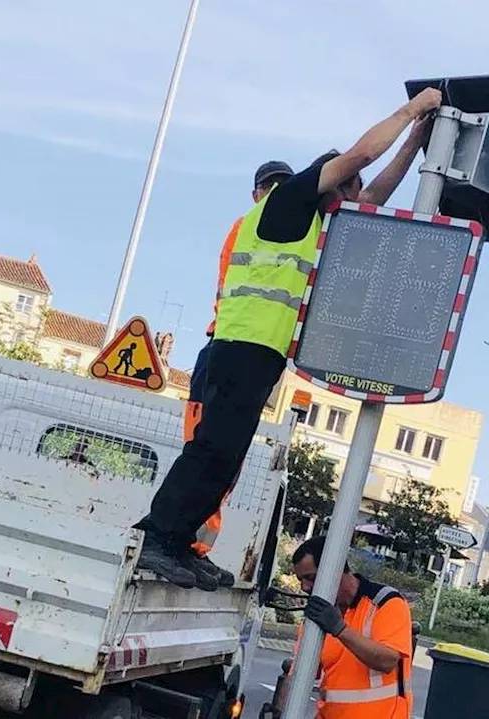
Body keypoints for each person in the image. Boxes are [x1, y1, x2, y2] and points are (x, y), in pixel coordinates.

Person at [134, 87, 444, 590]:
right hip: (239, 346)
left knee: (226, 454)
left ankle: (178, 538)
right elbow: (363, 154)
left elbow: (374, 196)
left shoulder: (314, 221)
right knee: (212, 448)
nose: (355, 202)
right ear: (331, 182)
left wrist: (413, 143)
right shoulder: (289, 202)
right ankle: (159, 537)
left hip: (258, 354)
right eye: (349, 189)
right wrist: (411, 110)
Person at [185, 160, 296, 588]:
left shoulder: (279, 233)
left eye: (282, 188)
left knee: (224, 461)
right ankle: (186, 545)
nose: (276, 196)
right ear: (256, 195)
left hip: (241, 355)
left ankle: (194, 546)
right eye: (270, 189)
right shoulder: (251, 227)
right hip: (225, 349)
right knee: (206, 453)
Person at [283, 535, 413, 719]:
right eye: (300, 580)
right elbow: (298, 674)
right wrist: (280, 709)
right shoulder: (318, 616)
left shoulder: (386, 603)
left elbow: (387, 661)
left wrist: (339, 629)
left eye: (310, 578)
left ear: (334, 570)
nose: (305, 587)